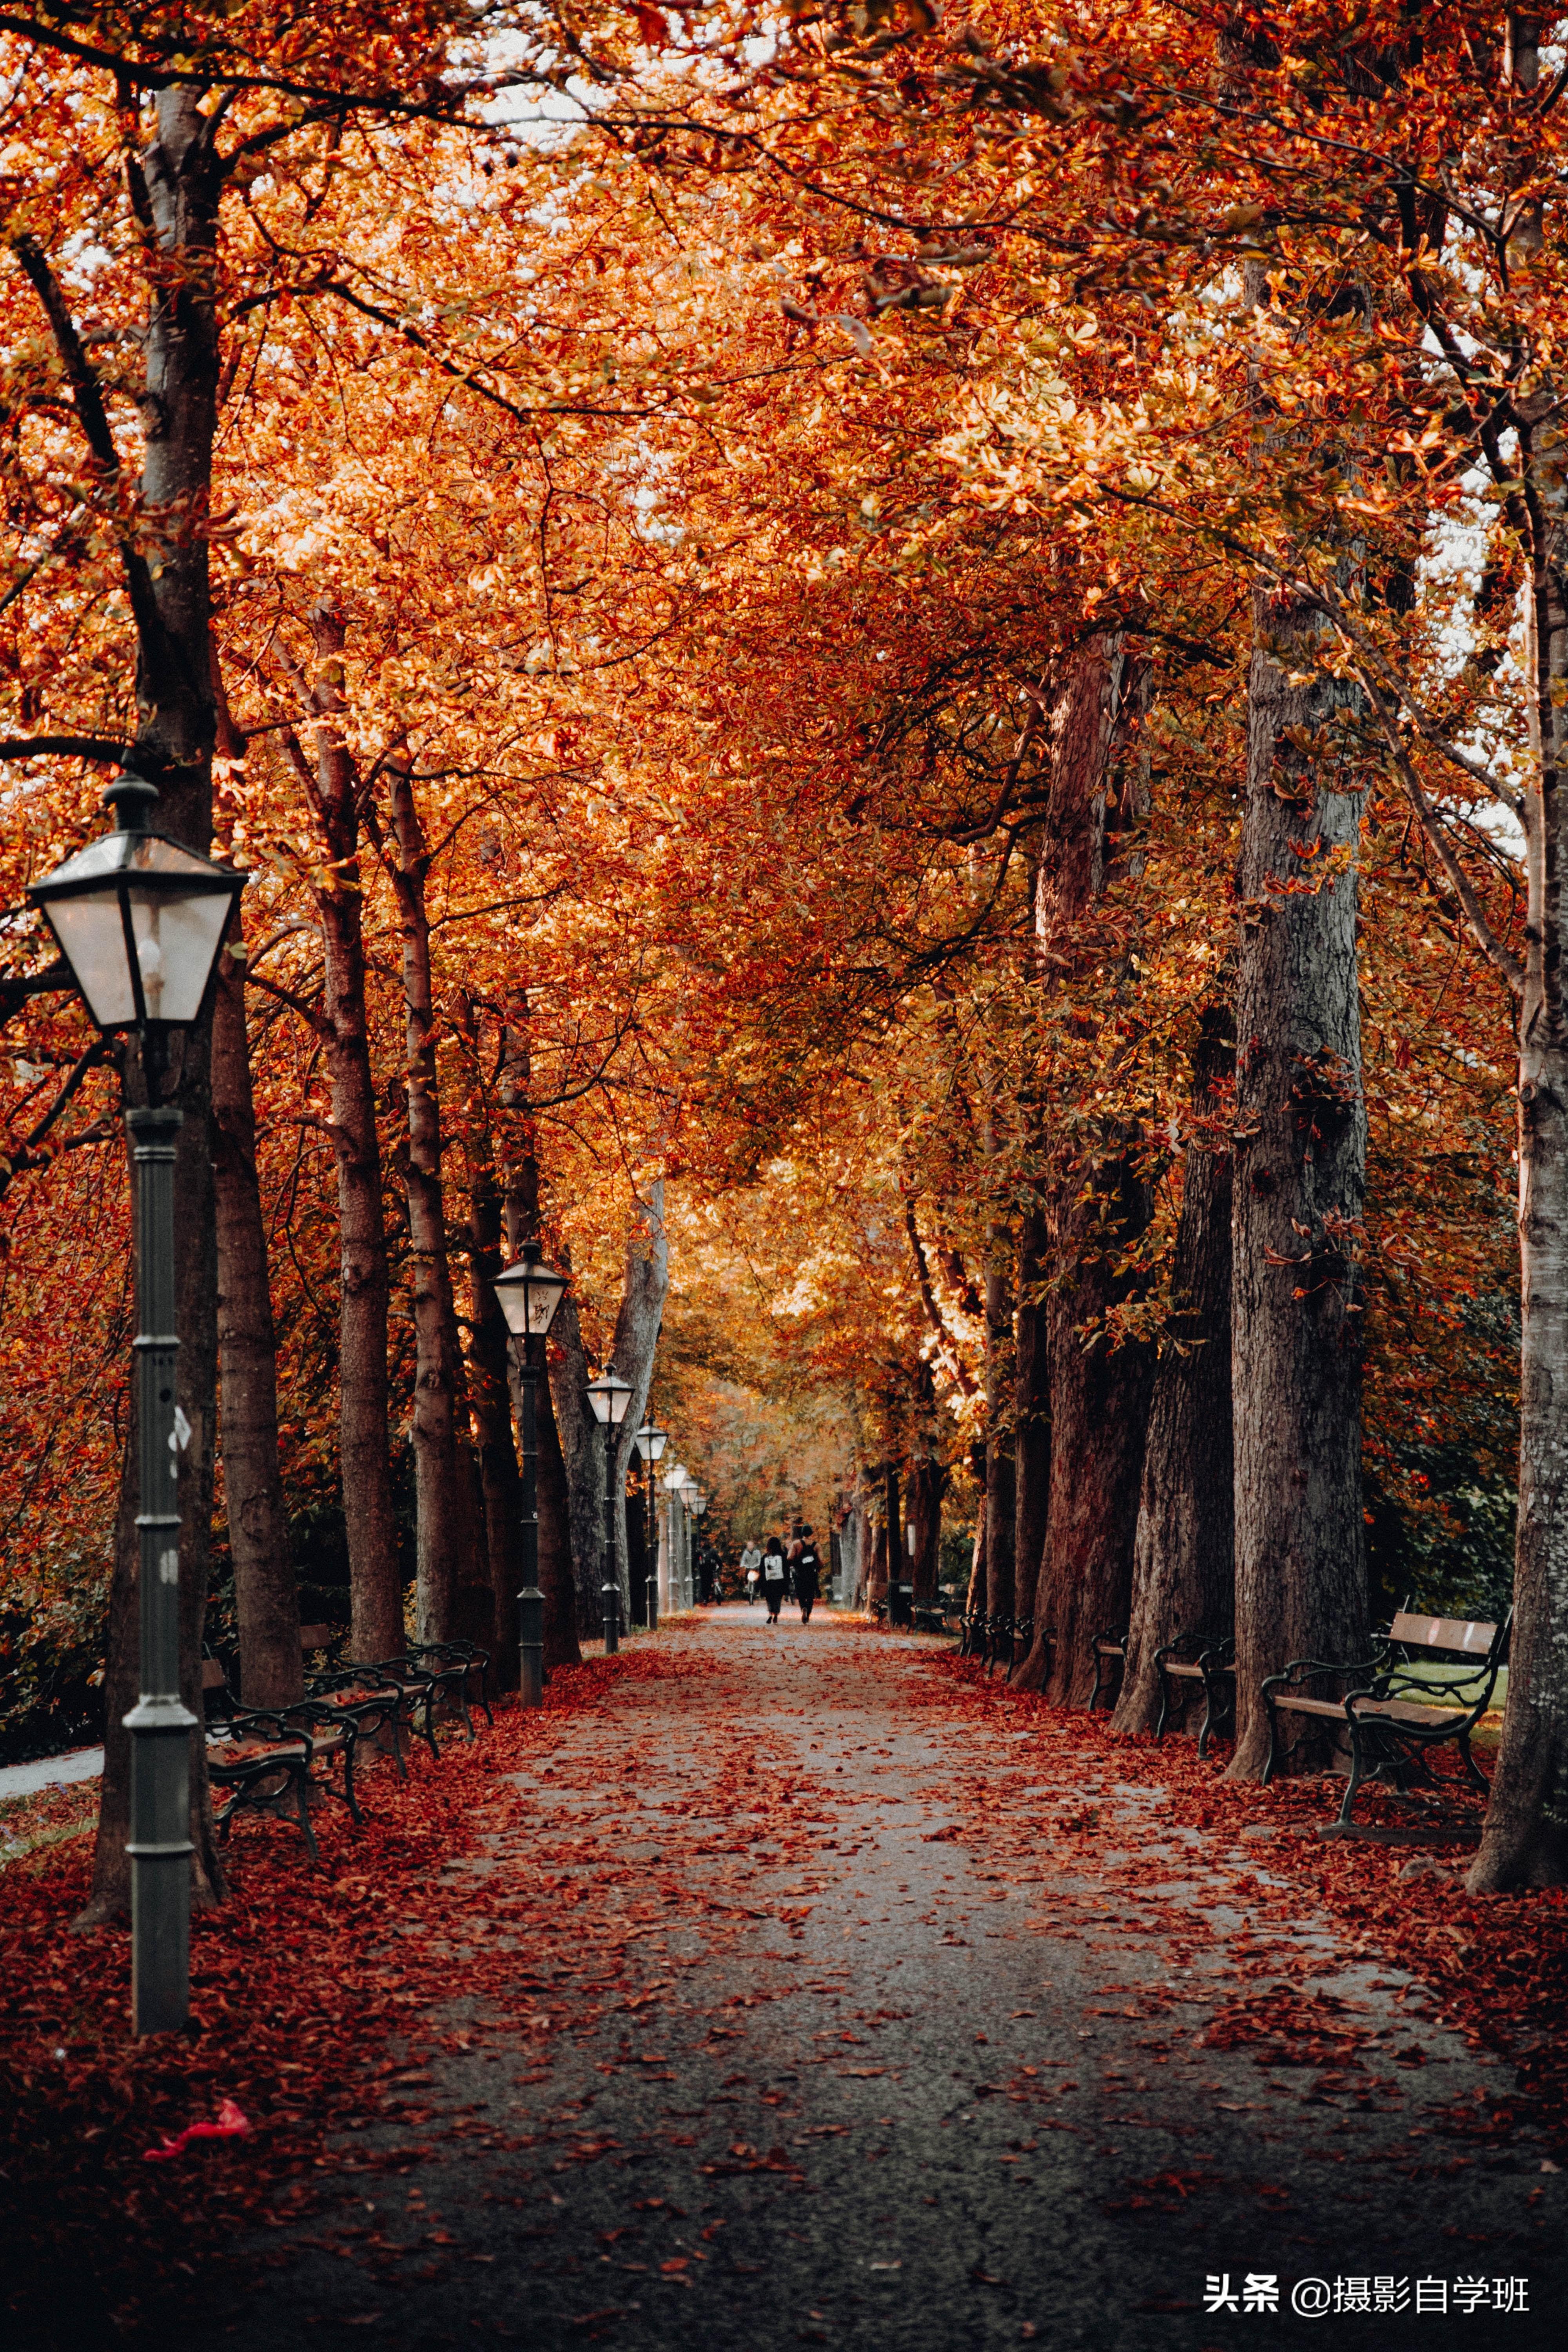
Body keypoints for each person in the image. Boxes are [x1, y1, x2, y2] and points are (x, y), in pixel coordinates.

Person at [794, 1527, 822, 1624]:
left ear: (802, 1533)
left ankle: (804, 1608)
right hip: (812, 1573)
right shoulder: (817, 1545)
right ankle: (808, 1613)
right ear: (811, 1533)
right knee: (811, 1595)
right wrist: (818, 1568)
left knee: (801, 1594)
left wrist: (794, 1564)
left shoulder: (796, 1544)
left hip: (800, 1573)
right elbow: (821, 1561)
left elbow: (790, 1558)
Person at [761, 1535, 787, 1624]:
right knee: (778, 1598)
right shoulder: (783, 1555)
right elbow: (786, 1569)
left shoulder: (765, 1557)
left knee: (769, 1598)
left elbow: (762, 1571)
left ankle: (770, 1614)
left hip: (769, 1581)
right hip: (779, 1581)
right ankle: (776, 1614)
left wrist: (761, 1583)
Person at [740, 1539, 762, 1604]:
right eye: (749, 1546)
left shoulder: (757, 1552)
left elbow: (760, 1560)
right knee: (746, 1575)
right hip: (749, 1568)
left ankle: (758, 1591)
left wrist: (759, 1565)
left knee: (758, 1578)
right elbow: (743, 1561)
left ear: (753, 1546)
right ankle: (747, 1585)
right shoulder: (746, 1552)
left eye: (751, 1545)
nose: (750, 1547)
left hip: (755, 1567)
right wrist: (743, 1565)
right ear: (747, 1546)